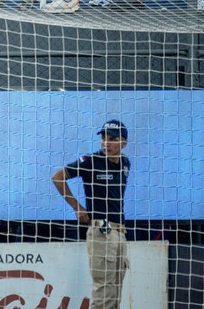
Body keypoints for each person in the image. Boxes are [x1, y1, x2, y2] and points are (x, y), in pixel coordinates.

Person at [52, 120, 131, 309]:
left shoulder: (125, 163)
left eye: (112, 139)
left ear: (124, 143)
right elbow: (57, 177)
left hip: (120, 231)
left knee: (115, 290)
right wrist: (77, 207)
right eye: (104, 138)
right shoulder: (90, 161)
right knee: (103, 289)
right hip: (101, 231)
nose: (106, 143)